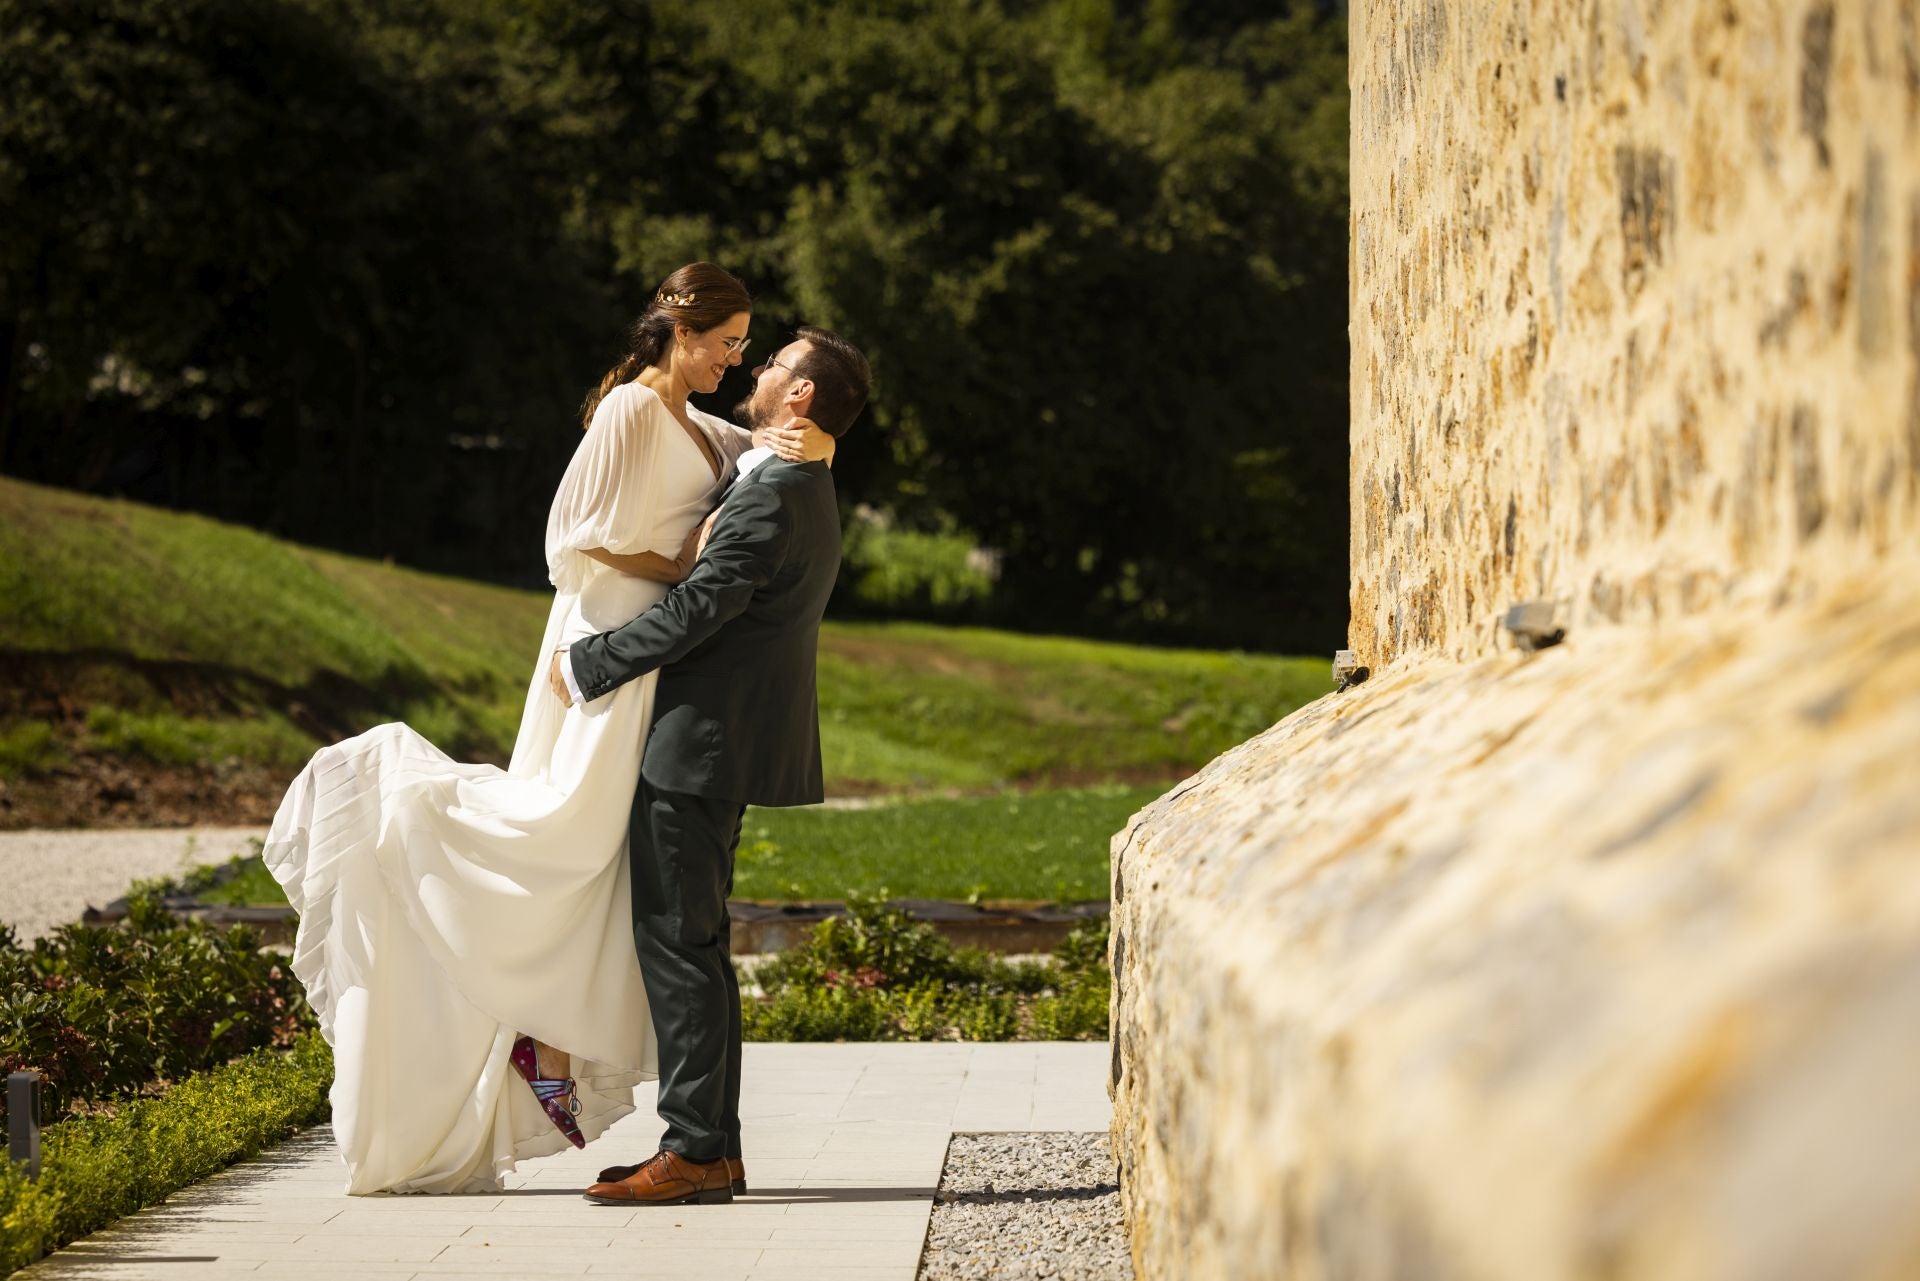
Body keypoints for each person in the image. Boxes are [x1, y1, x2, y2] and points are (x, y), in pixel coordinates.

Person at [262, 262, 832, 1194]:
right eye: (728, 342)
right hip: (607, 635)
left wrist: (824, 451)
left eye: (746, 349)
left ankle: (648, 1113)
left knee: (621, 881)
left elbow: (767, 450)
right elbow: (568, 536)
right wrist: (679, 563)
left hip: (647, 655)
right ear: (682, 333)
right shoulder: (629, 413)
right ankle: (401, 809)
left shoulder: (701, 422)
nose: (736, 360)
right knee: (563, 834)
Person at [546, 325, 871, 1207]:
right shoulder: (783, 468)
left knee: (681, 945)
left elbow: (698, 609)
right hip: (714, 743)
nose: (759, 369)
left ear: (799, 395)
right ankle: (712, 1150)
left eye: (775, 365)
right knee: (696, 944)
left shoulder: (780, 493)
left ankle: (692, 1148)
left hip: (700, 744)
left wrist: (589, 663)